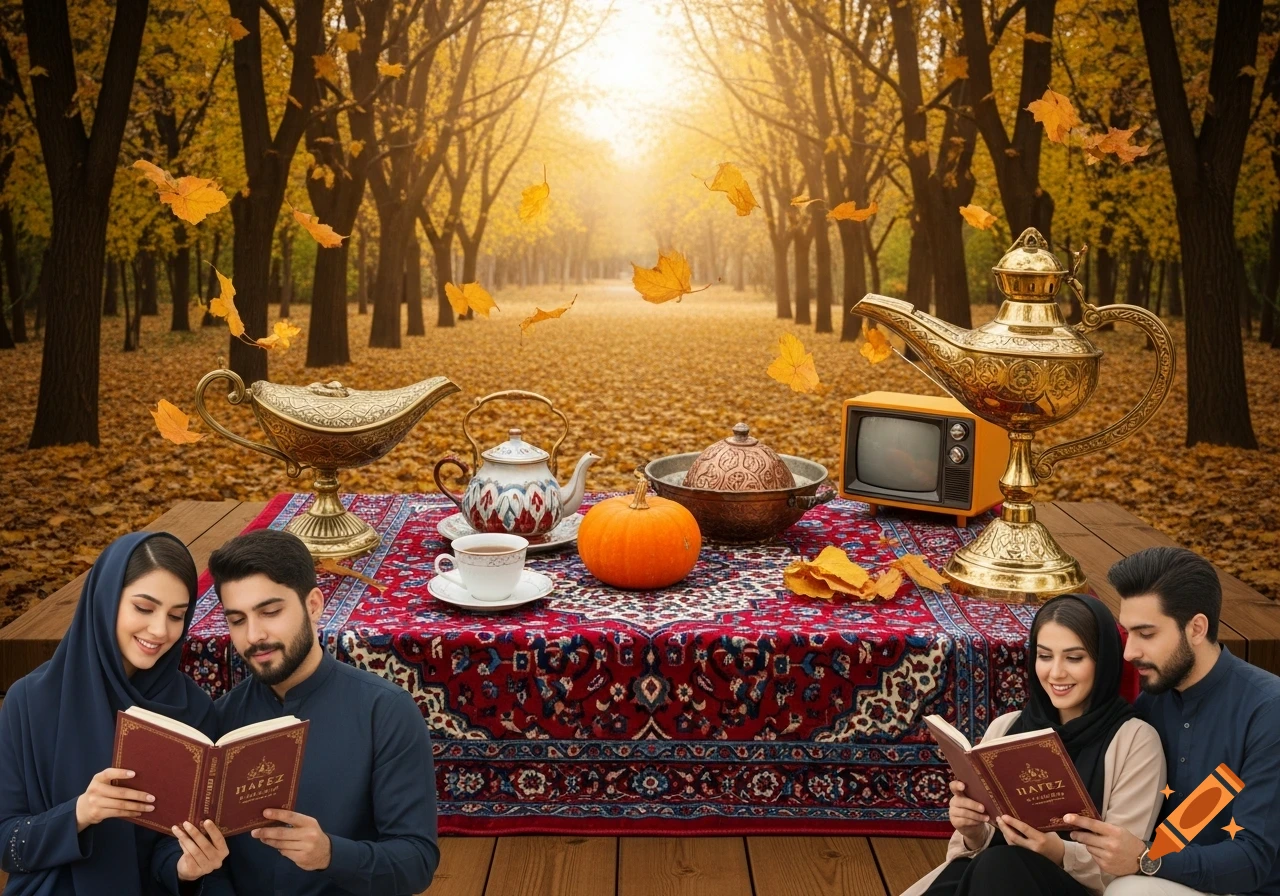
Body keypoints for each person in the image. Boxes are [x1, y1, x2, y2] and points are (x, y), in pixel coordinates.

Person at [207, 528, 439, 896]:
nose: (253, 635)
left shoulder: (385, 711)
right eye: (237, 620)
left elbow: (416, 863)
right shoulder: (219, 719)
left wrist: (330, 854)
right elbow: (208, 865)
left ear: (314, 605)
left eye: (270, 612)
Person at [0, 532, 230, 896]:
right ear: (105, 601)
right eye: (143, 608)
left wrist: (186, 869)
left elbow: (168, 846)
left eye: (176, 615)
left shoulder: (192, 709)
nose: (160, 630)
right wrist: (80, 812)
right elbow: (7, 843)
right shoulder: (29, 701)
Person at [902, 593, 1166, 896]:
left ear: (1103, 662)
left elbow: (1124, 863)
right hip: (990, 880)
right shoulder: (1006, 727)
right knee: (977, 870)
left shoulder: (1135, 741)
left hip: (1071, 888)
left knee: (1001, 863)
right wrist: (972, 830)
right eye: (1045, 656)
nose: (1056, 673)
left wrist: (1059, 852)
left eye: (1074, 658)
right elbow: (968, 853)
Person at [1066, 546, 1280, 896]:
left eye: (1146, 634)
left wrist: (1147, 859)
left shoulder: (1268, 710)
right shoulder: (1153, 700)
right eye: (1128, 633)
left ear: (1196, 628)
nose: (1129, 652)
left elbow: (1252, 861)